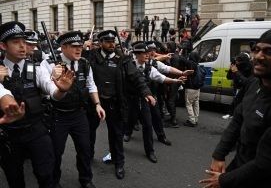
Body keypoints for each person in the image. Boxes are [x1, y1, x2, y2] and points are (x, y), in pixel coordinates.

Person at [199, 27, 271, 188]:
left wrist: (224, 180)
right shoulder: (254, 83)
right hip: (241, 167)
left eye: (269, 51)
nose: (259, 56)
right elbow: (238, 119)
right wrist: (219, 155)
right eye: (257, 49)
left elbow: (268, 161)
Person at [0, 21, 74, 188]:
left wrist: (61, 90)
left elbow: (51, 90)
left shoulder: (34, 68)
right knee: (15, 179)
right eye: (15, 42)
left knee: (46, 174)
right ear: (3, 45)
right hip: (9, 135)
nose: (22, 46)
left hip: (36, 130)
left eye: (24, 42)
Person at [87, 30, 155, 179]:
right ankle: (88, 156)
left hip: (114, 104)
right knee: (89, 131)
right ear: (100, 43)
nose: (112, 44)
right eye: (108, 42)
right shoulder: (92, 56)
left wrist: (146, 92)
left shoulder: (122, 59)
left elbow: (136, 76)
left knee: (116, 134)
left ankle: (119, 163)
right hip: (95, 103)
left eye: (113, 42)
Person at [42, 31, 105, 188]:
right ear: (63, 47)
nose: (79, 50)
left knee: (85, 149)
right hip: (58, 116)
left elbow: (91, 85)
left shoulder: (84, 63)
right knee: (56, 152)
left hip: (79, 114)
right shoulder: (50, 64)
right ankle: (54, 182)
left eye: (80, 46)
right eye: (74, 47)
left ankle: (86, 179)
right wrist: (53, 77)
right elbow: (47, 91)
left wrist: (97, 104)